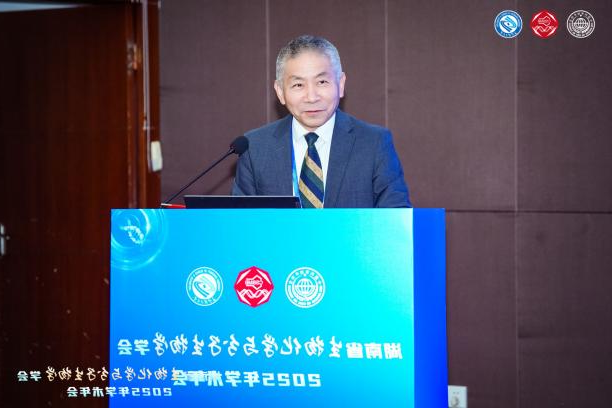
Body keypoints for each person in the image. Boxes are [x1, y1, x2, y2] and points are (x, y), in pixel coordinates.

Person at [232, 35, 411, 208]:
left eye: (322, 82)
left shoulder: (374, 143)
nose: (311, 97)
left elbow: (396, 218)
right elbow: (238, 222)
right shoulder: (255, 148)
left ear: (340, 84)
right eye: (298, 85)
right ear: (280, 92)